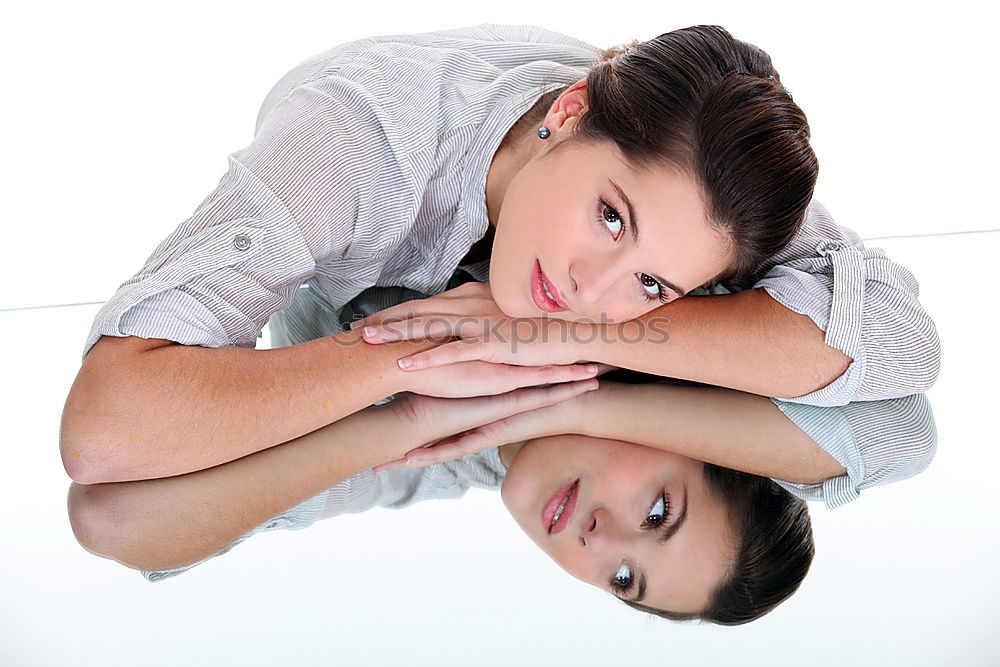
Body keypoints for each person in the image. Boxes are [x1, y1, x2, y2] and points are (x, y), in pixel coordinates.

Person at [61, 23, 940, 510]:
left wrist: (540, 333)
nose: (596, 290)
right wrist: (403, 349)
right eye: (609, 215)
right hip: (341, 354)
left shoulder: (700, 192)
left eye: (654, 283)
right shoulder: (354, 141)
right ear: (569, 109)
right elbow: (104, 431)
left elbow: (904, 352)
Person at [68, 376, 817, 626]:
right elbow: (904, 429)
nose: (600, 539)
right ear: (686, 414)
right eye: (657, 514)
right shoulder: (614, 282)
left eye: (623, 580)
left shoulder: (430, 463)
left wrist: (412, 422)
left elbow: (105, 516)